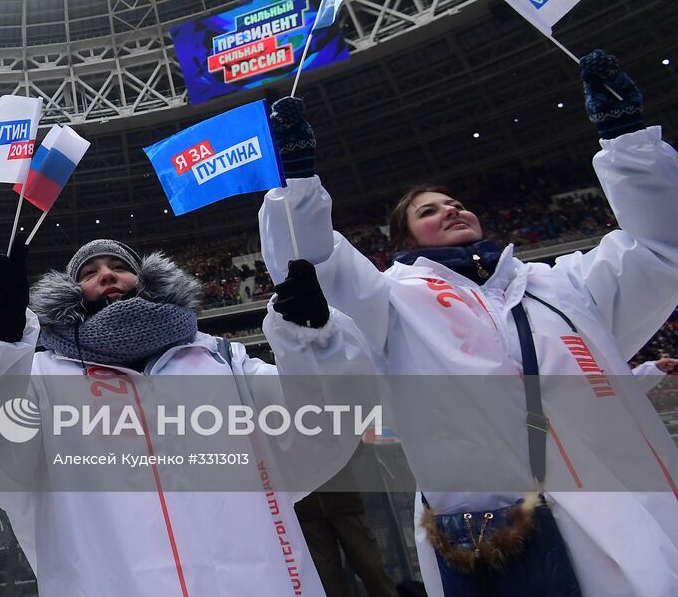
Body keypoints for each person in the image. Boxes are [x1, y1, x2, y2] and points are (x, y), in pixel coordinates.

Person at [258, 50, 678, 597]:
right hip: (508, 541)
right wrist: (299, 181)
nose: (450, 209)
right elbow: (310, 272)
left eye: (454, 202)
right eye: (429, 211)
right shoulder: (392, 300)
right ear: (404, 240)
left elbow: (660, 247)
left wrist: (628, 141)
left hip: (635, 514)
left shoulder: (560, 284)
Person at [0, 238, 376, 597]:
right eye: (89, 272)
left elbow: (316, 426)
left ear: (147, 280)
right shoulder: (43, 377)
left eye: (118, 266)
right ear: (71, 294)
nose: (106, 274)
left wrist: (313, 337)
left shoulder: (222, 359)